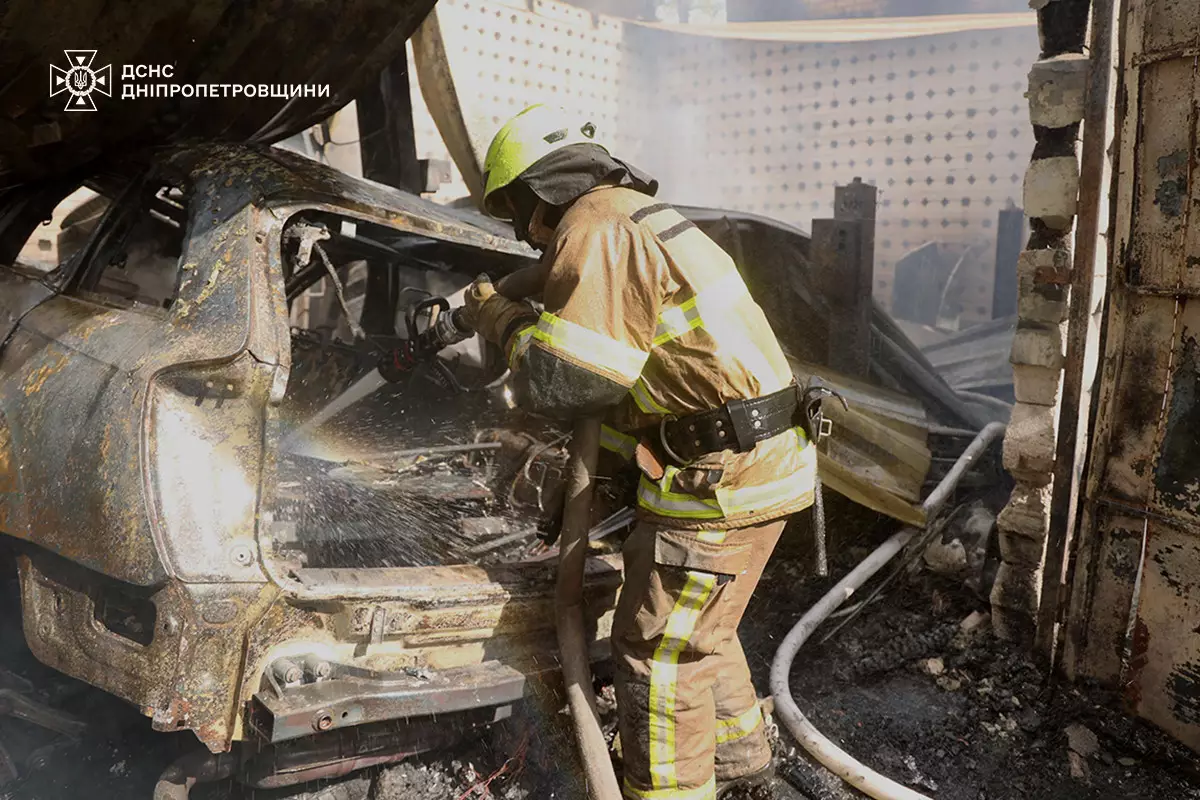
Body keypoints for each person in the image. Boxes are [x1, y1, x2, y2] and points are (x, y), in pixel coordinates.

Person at [462, 104, 816, 800]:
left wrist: (499, 316)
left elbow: (565, 382)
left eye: (516, 211)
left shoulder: (596, 228)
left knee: (657, 652)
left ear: (537, 192)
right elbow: (646, 382)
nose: (526, 232)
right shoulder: (633, 217)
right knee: (700, 629)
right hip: (752, 463)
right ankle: (742, 766)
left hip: (719, 481)